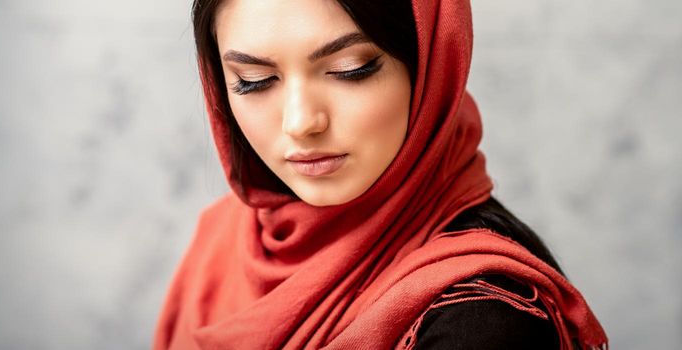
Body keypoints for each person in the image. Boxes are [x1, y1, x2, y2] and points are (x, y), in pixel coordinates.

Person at [153, 0, 609, 349]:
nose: (300, 122)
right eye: (253, 80)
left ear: (430, 63)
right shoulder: (225, 237)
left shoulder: (484, 320)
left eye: (349, 70)